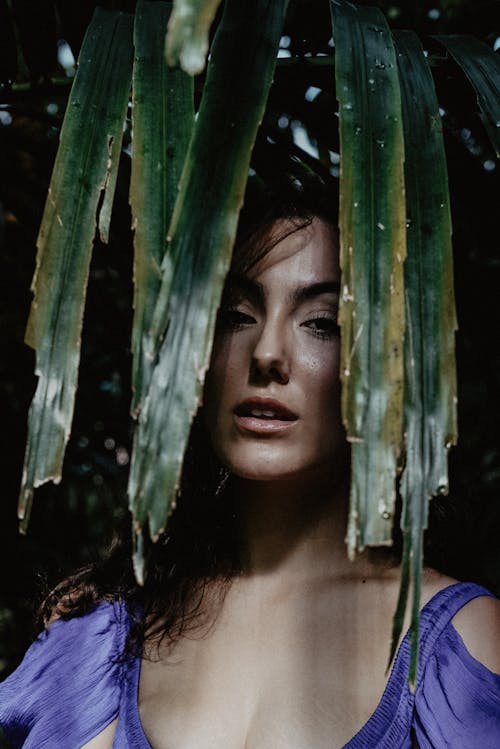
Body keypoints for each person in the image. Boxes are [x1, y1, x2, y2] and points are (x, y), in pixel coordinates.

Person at [0, 173, 499, 749]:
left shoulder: (455, 648)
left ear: (388, 370)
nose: (266, 353)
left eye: (323, 324)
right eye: (237, 315)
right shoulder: (98, 644)